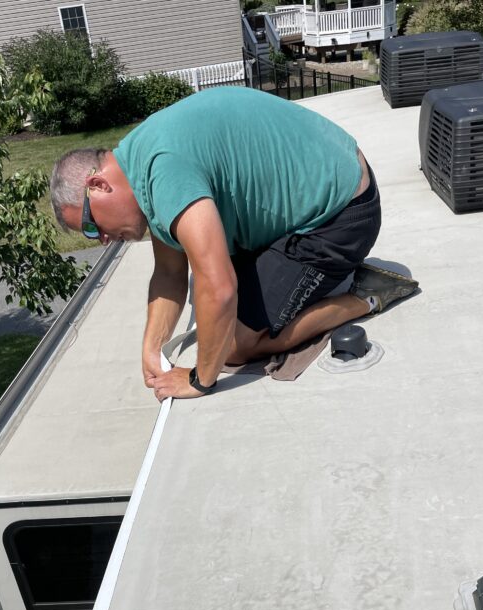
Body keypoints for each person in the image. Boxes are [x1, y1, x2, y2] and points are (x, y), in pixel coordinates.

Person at [49, 87, 417, 401]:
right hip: (319, 185)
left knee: (234, 346)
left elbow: (220, 288)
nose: (103, 240)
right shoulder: (139, 161)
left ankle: (366, 296)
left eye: (91, 227)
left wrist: (199, 380)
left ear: (98, 185)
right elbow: (169, 272)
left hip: (342, 212)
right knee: (216, 311)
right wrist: (152, 346)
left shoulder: (163, 171)